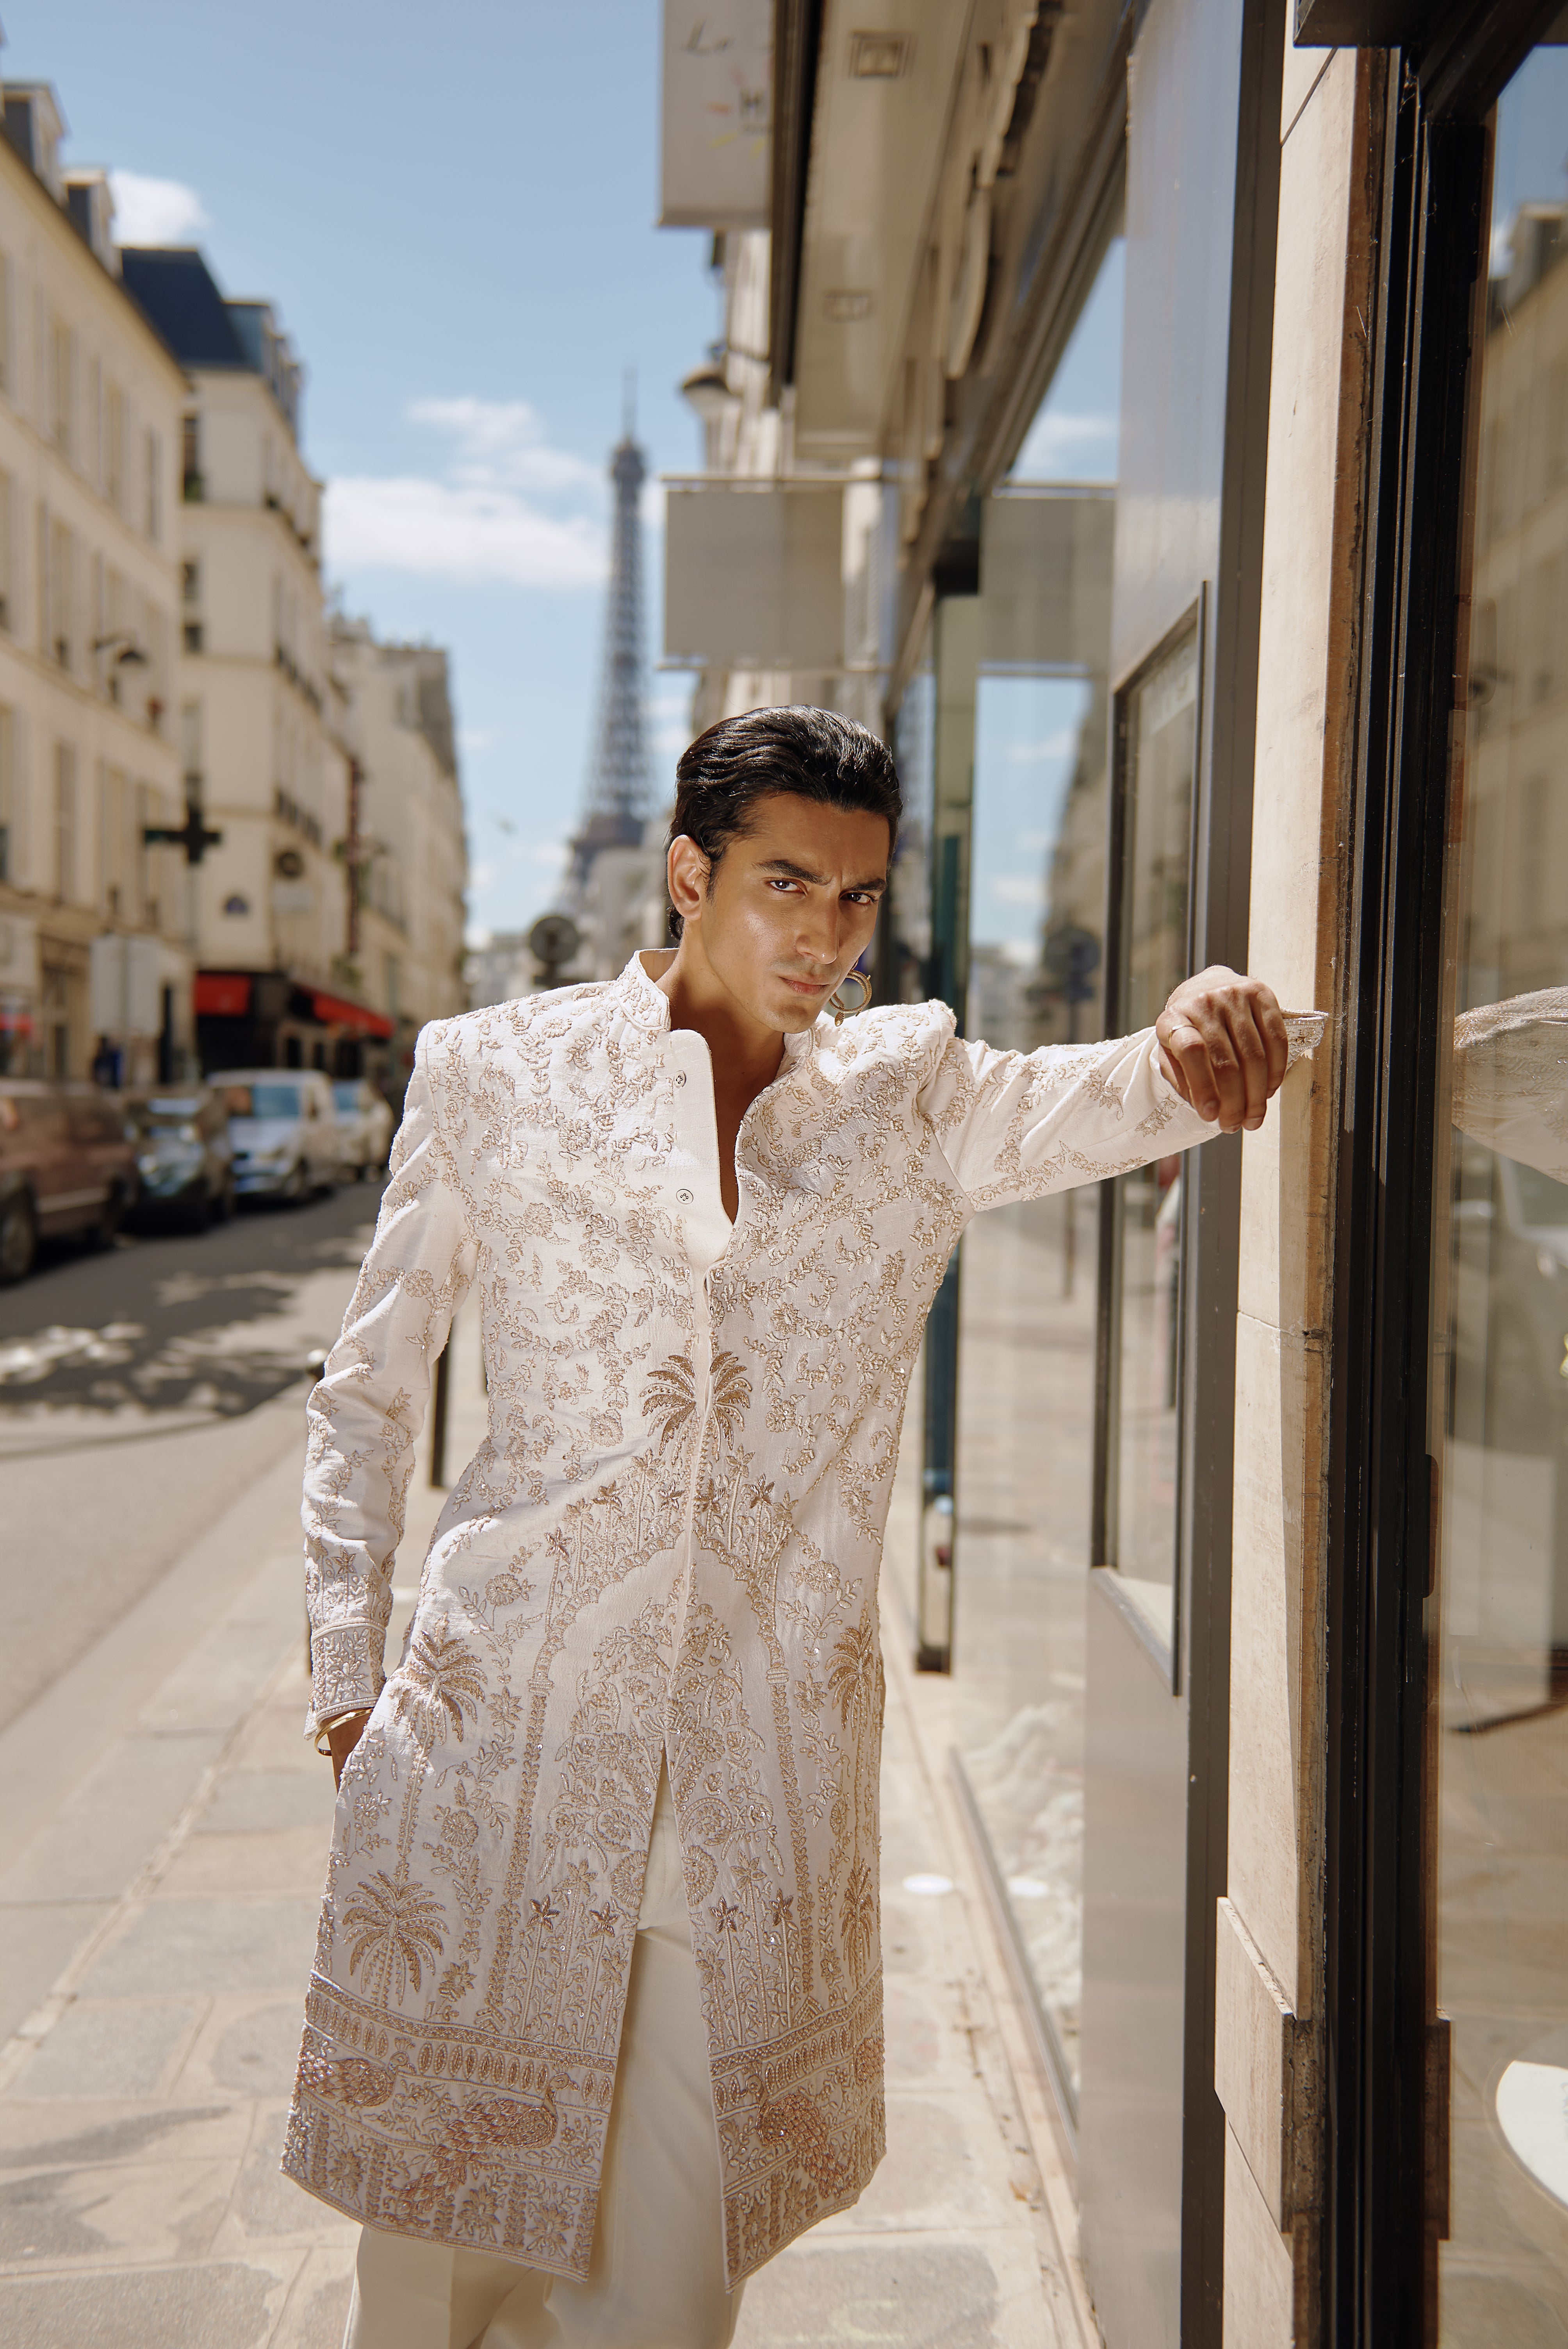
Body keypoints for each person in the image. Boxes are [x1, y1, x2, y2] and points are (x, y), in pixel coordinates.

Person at [283, 706, 1309, 2349]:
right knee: (433, 2272)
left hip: (745, 1787)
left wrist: (1194, 1023)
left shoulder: (901, 1098)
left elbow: (1106, 1093)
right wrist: (347, 1669)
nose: (825, 934)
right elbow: (363, 1389)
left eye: (854, 897)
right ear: (686, 873)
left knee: (666, 2289)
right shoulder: (493, 1072)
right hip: (500, 1749)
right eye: (784, 884)